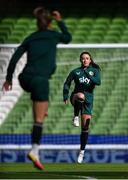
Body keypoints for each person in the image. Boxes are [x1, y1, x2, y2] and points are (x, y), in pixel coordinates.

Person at [2, 6, 72, 170]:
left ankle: (42, 108)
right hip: (40, 80)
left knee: (40, 104)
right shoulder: (53, 35)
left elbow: (14, 57)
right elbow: (68, 38)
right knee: (39, 119)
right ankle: (34, 150)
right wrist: (60, 21)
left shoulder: (31, 37)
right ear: (50, 23)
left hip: (25, 79)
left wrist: (8, 79)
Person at [63, 51, 101, 163]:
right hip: (76, 96)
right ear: (80, 60)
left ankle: (82, 151)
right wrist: (65, 95)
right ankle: (75, 116)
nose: (85, 60)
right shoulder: (76, 72)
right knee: (80, 95)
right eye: (83, 58)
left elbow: (98, 82)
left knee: (85, 127)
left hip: (89, 100)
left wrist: (89, 75)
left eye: (87, 58)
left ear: (90, 60)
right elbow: (67, 83)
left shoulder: (94, 71)